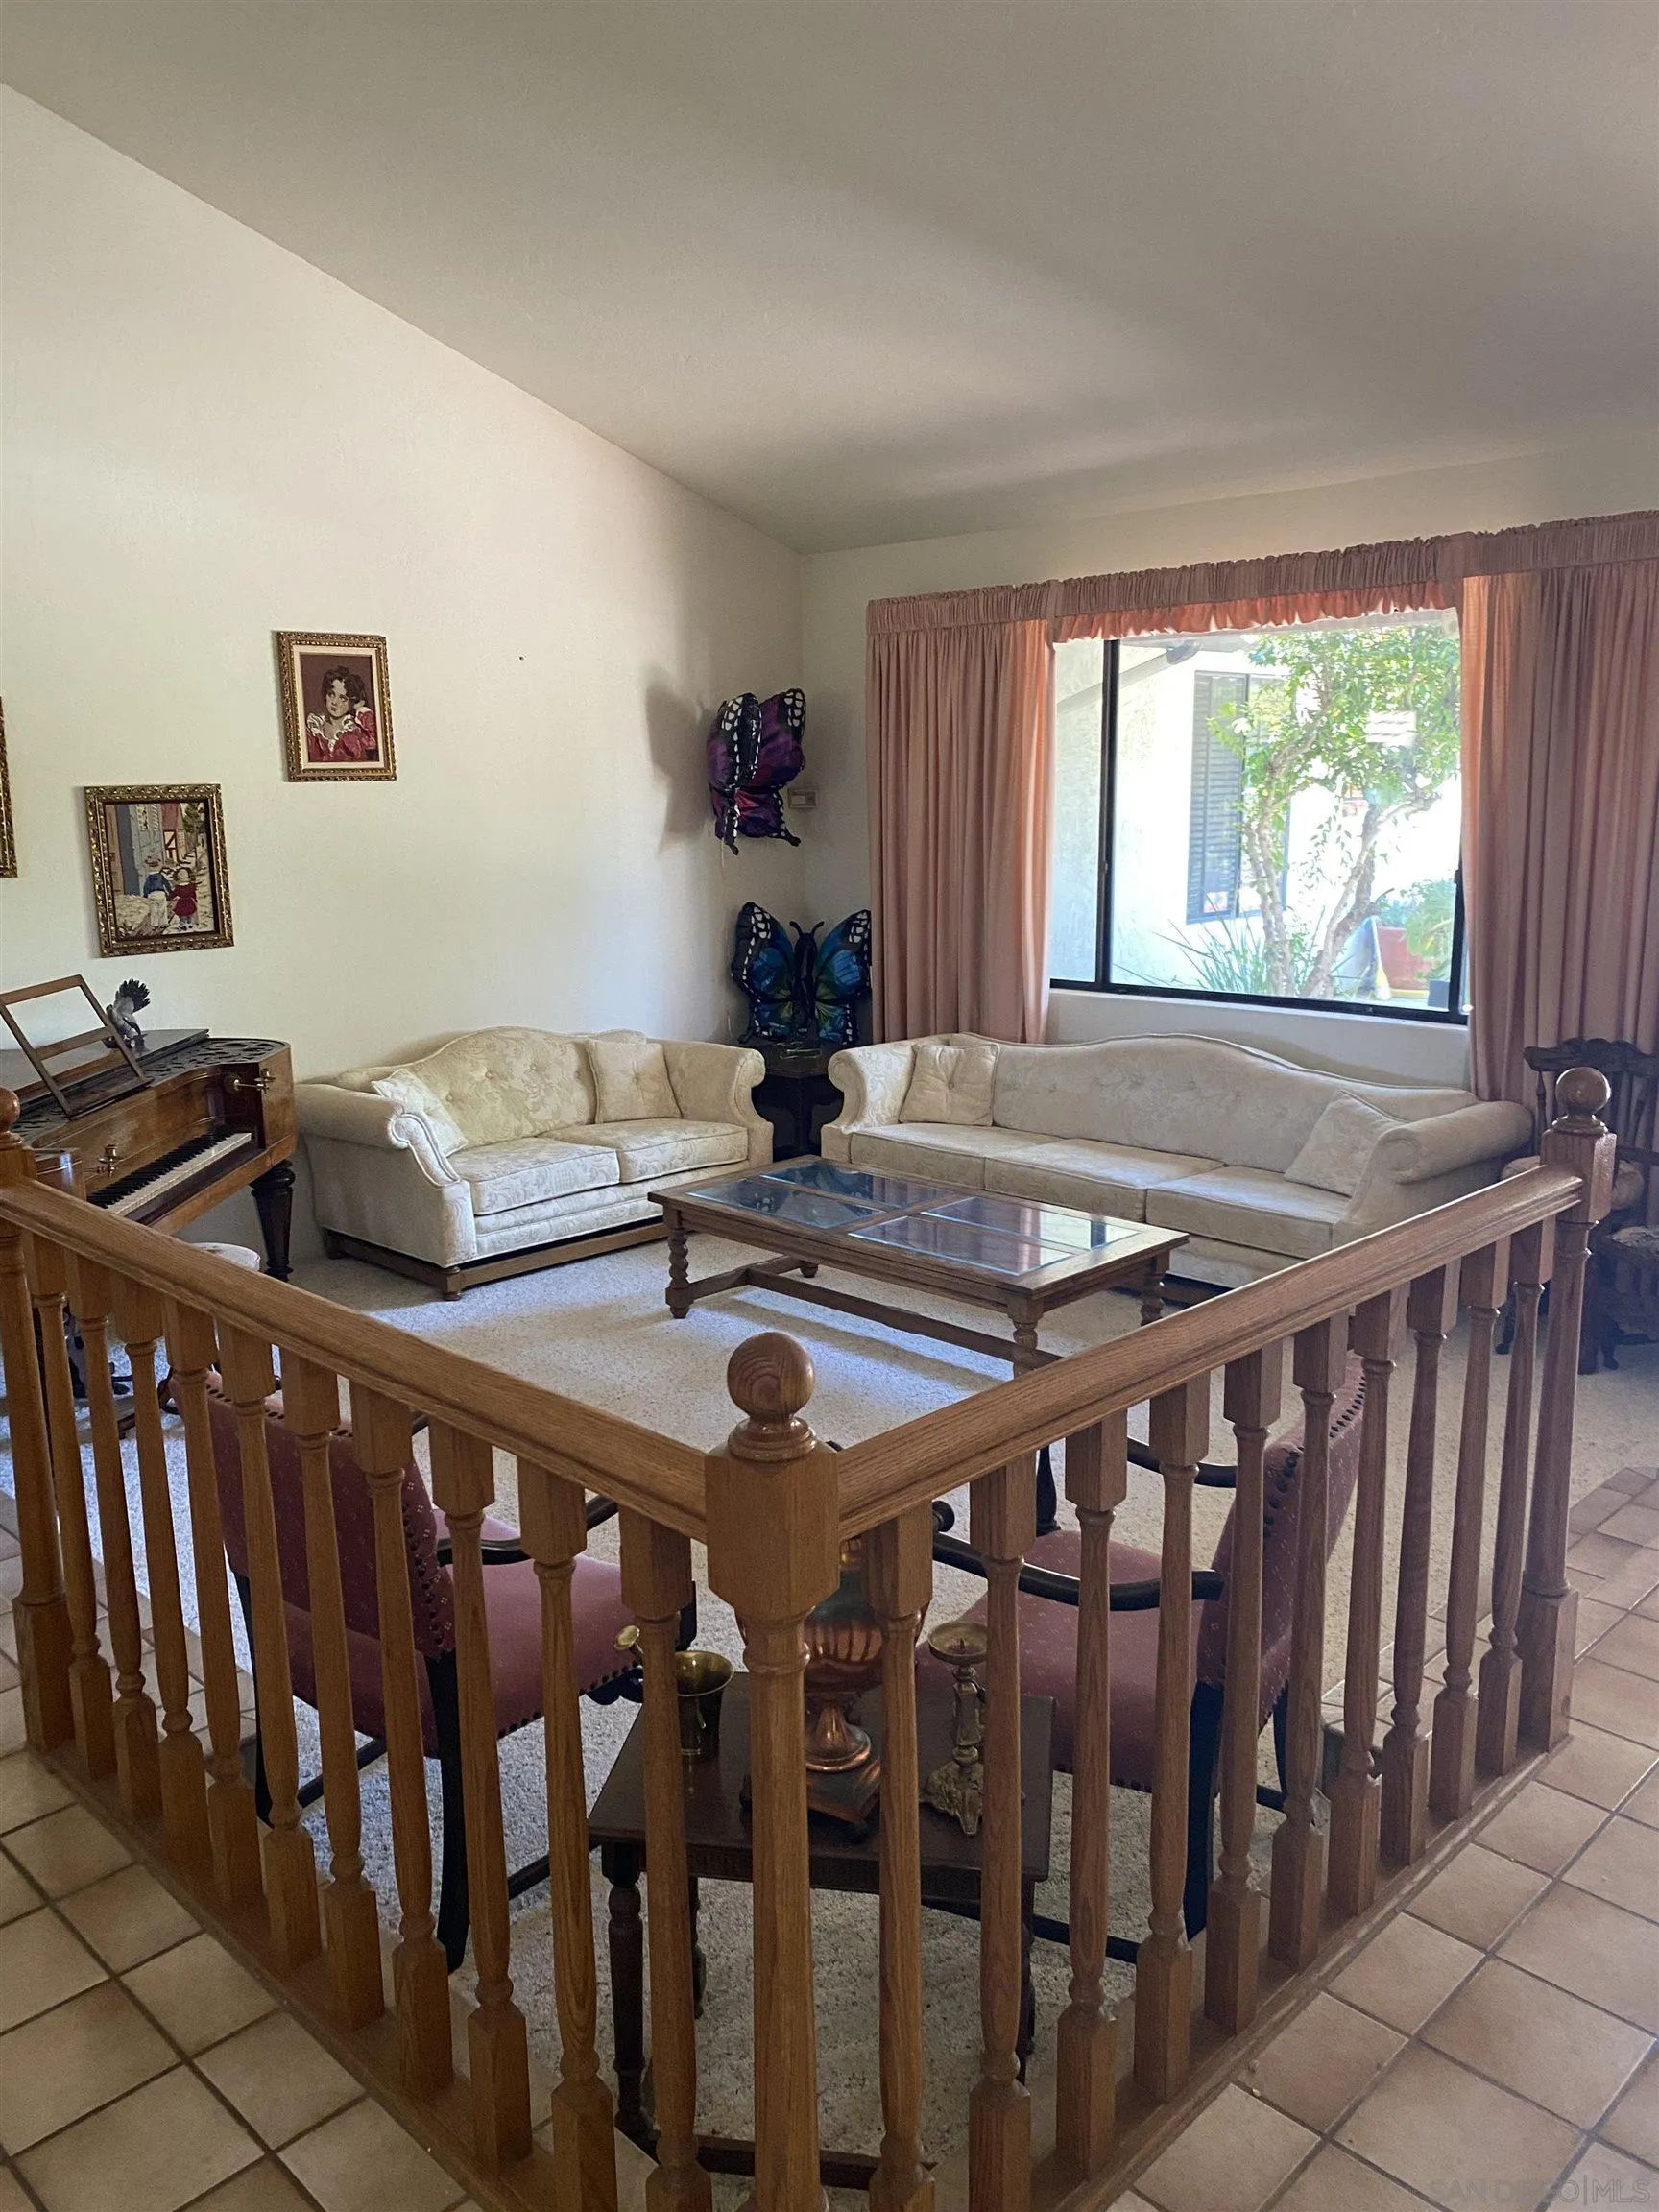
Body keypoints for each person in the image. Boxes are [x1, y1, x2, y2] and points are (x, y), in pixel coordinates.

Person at [305, 665, 378, 763]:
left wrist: (359, 708)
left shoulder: (357, 731)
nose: (334, 702)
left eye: (342, 698)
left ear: (353, 700)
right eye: (331, 694)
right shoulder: (313, 728)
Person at [140, 854, 172, 934]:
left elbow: (146, 886)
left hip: (153, 894)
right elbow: (167, 884)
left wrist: (145, 894)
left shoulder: (149, 878)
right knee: (162, 909)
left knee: (154, 910)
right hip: (161, 893)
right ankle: (164, 923)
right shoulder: (161, 876)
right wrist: (169, 891)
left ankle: (155, 924)